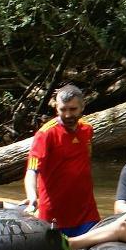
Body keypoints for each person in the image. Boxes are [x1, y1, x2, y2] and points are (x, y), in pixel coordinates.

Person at [24, 84, 100, 236]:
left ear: (82, 107)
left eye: (72, 109)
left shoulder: (87, 130)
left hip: (86, 212)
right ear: (56, 108)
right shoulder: (45, 134)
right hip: (53, 215)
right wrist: (32, 197)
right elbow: (31, 171)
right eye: (62, 109)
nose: (67, 114)